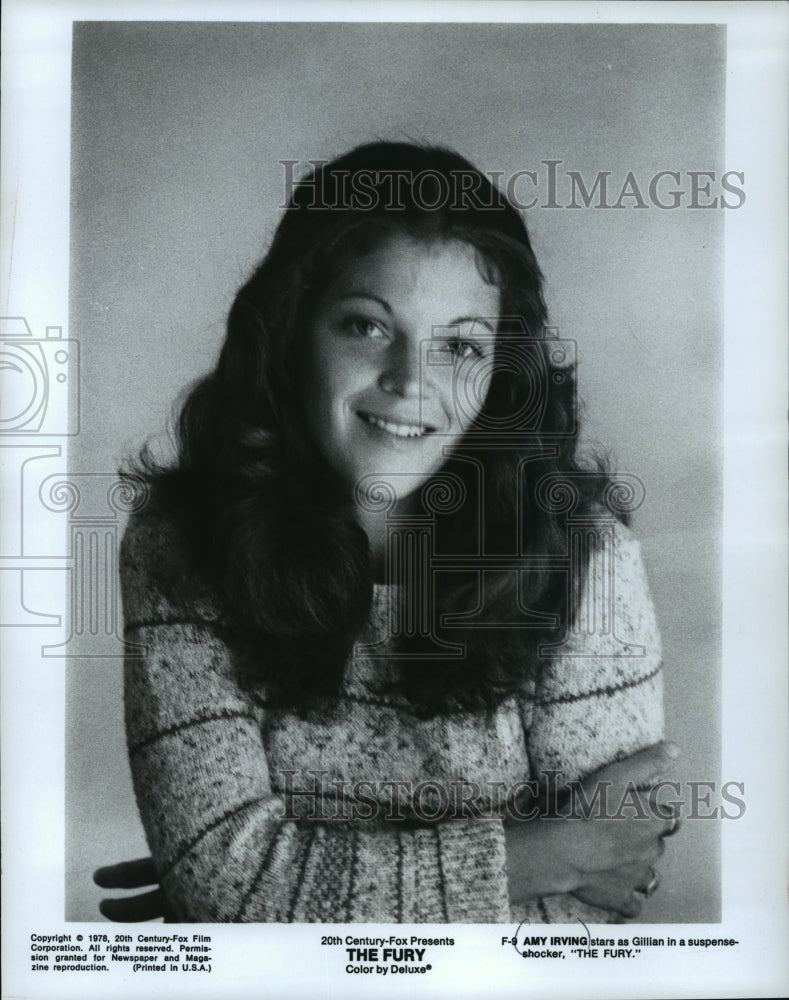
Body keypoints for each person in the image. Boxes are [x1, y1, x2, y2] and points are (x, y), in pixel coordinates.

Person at [94, 141, 679, 924]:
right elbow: (221, 883)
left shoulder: (586, 554)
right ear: (291, 331)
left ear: (501, 371)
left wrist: (297, 893)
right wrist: (536, 855)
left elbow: (593, 903)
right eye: (367, 327)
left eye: (461, 345)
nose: (410, 380)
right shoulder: (178, 542)